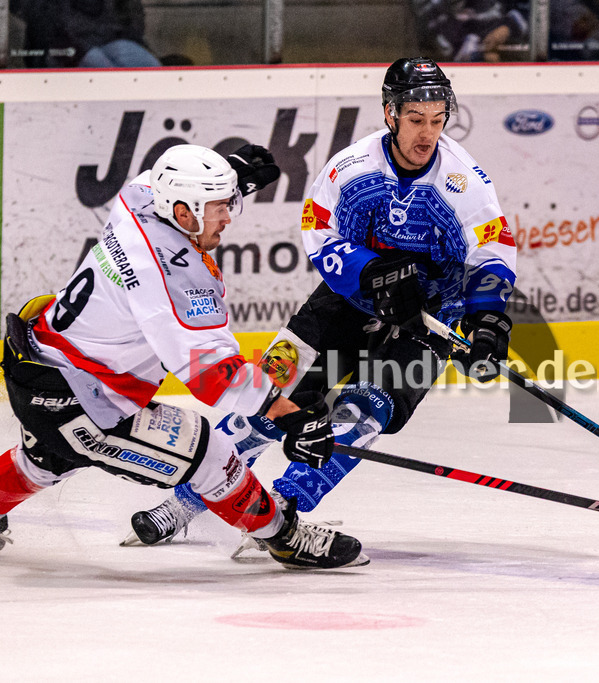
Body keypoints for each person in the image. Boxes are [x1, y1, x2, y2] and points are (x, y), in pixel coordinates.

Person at [126, 57, 517, 551]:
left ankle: (284, 508)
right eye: (417, 120)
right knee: (272, 394)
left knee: (366, 409)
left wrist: (487, 321)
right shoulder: (351, 168)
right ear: (390, 113)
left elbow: (493, 250)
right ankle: (185, 502)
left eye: (437, 120)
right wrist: (370, 274)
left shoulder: (465, 182)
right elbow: (318, 231)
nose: (427, 134)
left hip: (432, 318)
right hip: (346, 302)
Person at [0, 142, 368, 570]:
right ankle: (286, 540)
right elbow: (213, 373)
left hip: (37, 367)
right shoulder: (178, 279)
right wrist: (288, 416)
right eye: (219, 207)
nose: (229, 217)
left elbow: (161, 181)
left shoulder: (136, 201)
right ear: (183, 212)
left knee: (43, 459)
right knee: (210, 455)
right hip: (82, 400)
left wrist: (231, 174)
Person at [10, 0, 162, 68]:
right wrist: (74, 51)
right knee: (99, 65)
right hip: (63, 54)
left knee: (149, 67)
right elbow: (35, 16)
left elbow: (132, 18)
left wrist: (125, 37)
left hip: (112, 46)